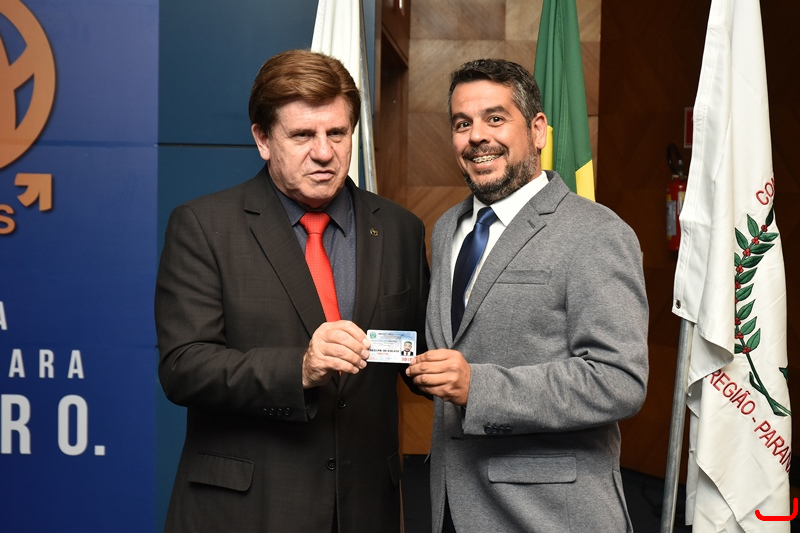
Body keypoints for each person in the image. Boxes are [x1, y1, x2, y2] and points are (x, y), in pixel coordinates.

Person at [155, 49, 429, 533]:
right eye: (302, 135)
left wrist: (444, 369)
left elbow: (416, 353)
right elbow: (184, 367)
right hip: (245, 511)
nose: (324, 152)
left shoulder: (400, 229)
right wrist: (299, 368)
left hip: (366, 508)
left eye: (337, 133)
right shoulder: (203, 226)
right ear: (262, 139)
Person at [406, 58, 648, 533]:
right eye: (462, 123)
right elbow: (459, 347)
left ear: (537, 130)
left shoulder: (596, 232)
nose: (476, 136)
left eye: (495, 118)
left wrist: (479, 387)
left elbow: (619, 380)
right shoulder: (447, 227)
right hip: (451, 506)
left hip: (550, 516)